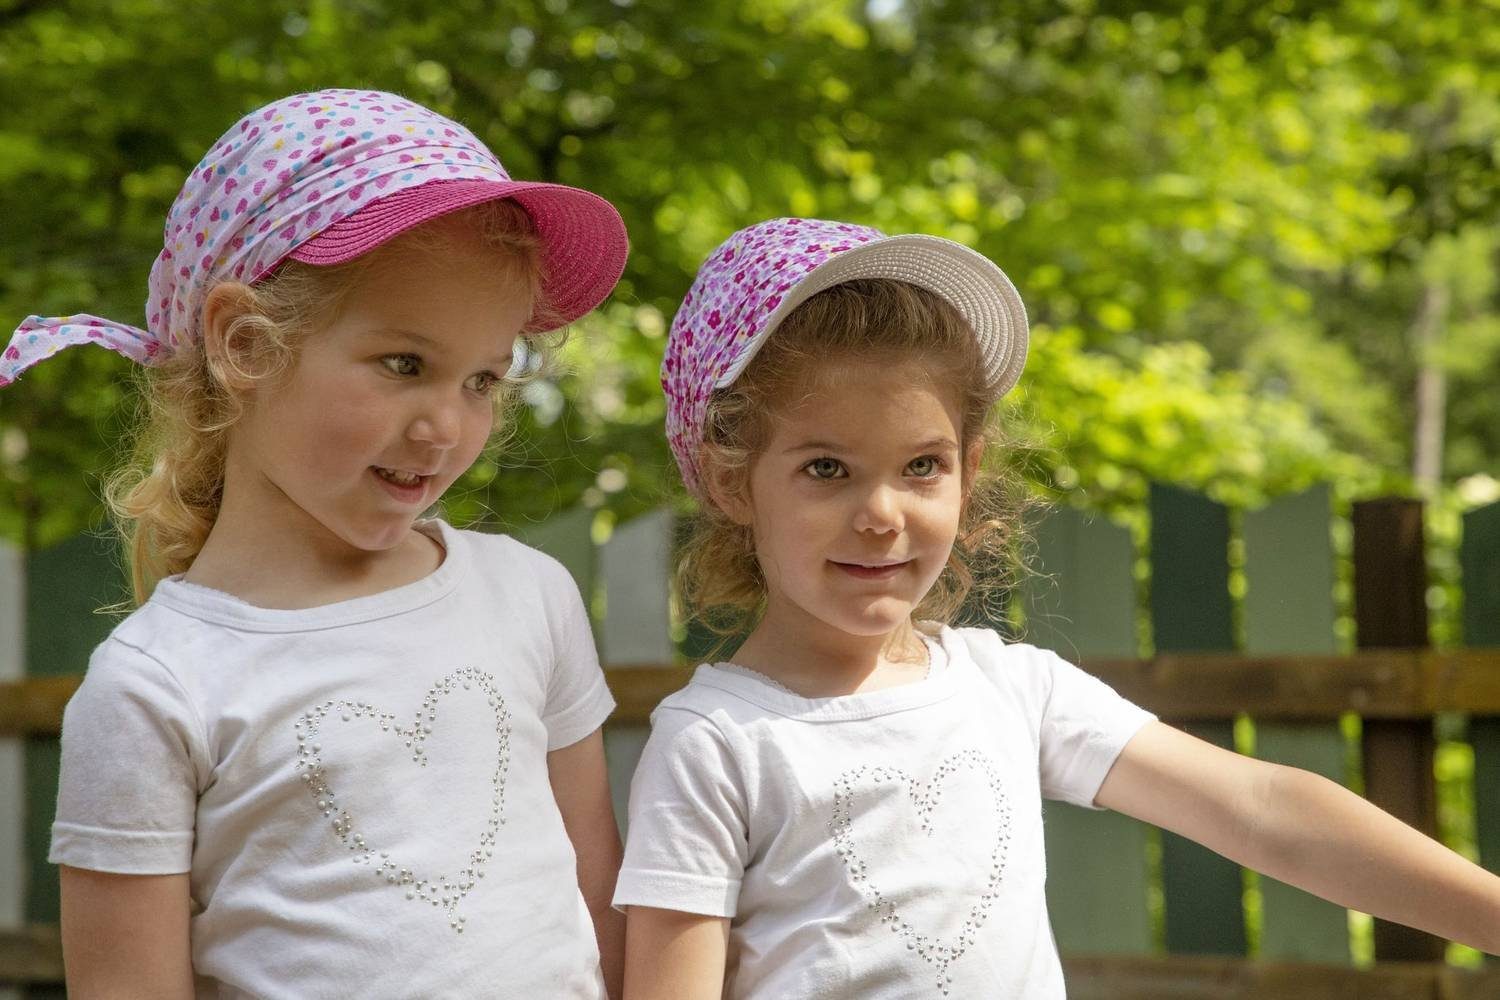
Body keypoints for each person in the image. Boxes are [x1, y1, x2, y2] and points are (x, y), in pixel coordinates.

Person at [613, 217, 1500, 998]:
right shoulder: (716, 743)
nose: (883, 514)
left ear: (970, 469)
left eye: (923, 466)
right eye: (826, 468)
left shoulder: (1009, 688)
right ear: (734, 481)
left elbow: (1265, 807)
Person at [4, 89, 631, 999]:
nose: (447, 427)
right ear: (243, 344)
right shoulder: (155, 684)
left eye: (483, 379)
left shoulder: (528, 596)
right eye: (405, 365)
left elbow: (599, 903)